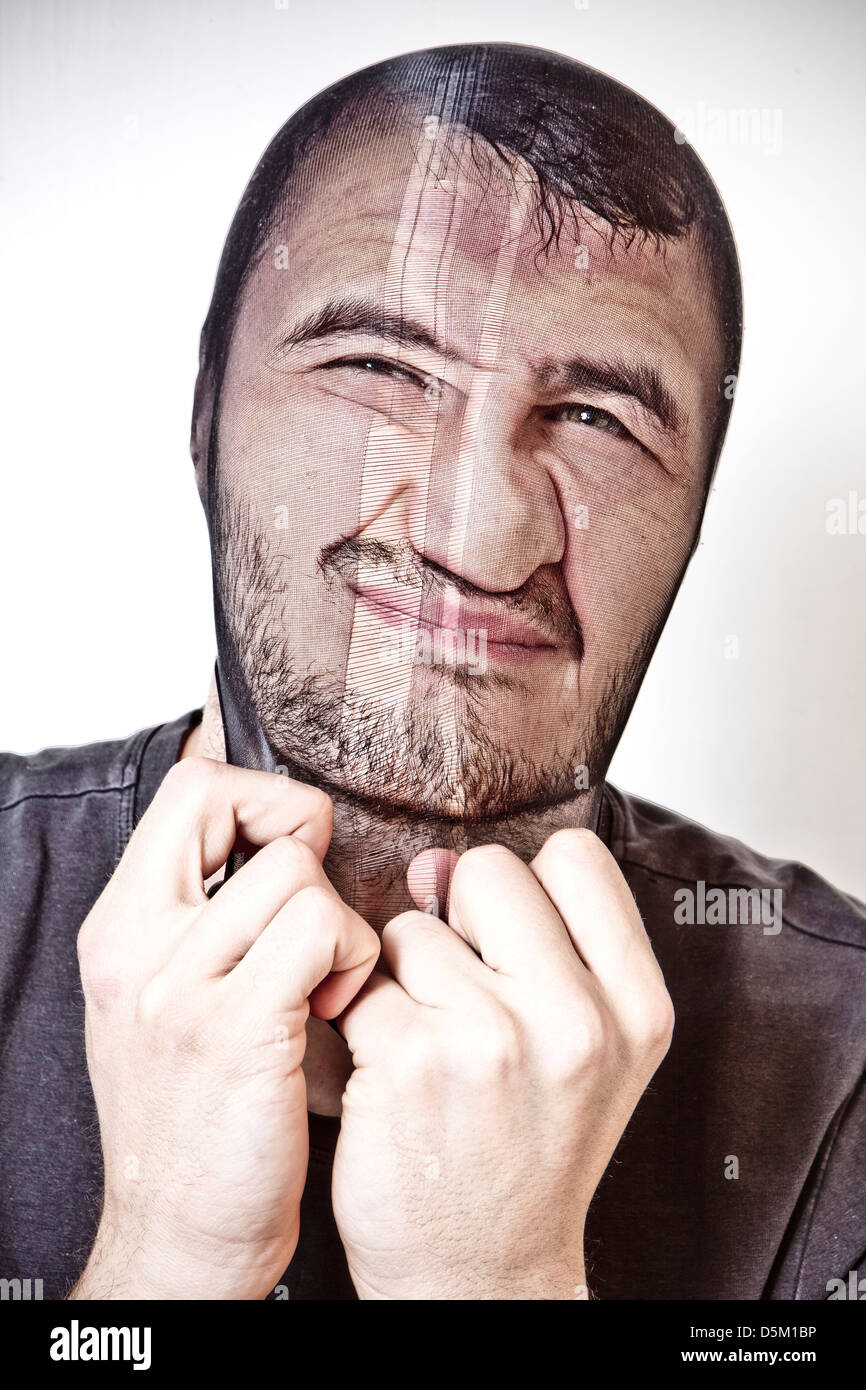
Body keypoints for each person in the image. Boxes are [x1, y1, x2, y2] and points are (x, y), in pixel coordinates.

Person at [1, 43, 863, 1302]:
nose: (474, 534)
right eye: (379, 367)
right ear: (204, 420)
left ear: (693, 520)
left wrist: (495, 1279)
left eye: (596, 419)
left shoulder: (842, 1057)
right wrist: (164, 1266)